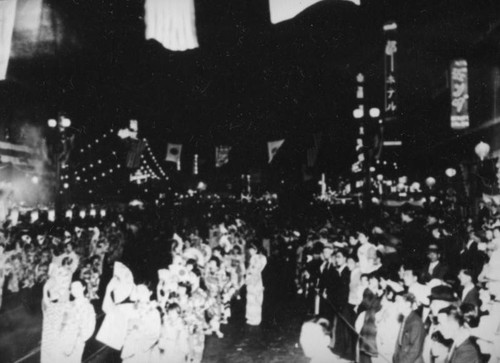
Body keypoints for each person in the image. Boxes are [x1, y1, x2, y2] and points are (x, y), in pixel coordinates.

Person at [58, 281, 96, 363]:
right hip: (65, 341)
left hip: (77, 342)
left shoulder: (88, 307)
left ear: (83, 288)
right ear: (71, 292)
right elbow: (62, 323)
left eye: (78, 287)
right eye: (73, 288)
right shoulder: (68, 305)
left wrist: (81, 338)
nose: (75, 290)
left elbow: (91, 326)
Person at [393, 293, 426, 363]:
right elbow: (400, 342)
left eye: (399, 302)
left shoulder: (416, 323)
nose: (397, 305)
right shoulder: (405, 318)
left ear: (408, 304)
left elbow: (415, 350)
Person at [245, 244, 267, 326]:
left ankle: (256, 319)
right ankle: (250, 317)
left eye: (252, 250)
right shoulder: (251, 258)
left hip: (256, 280)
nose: (250, 252)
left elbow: (257, 269)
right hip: (251, 280)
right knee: (250, 299)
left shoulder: (260, 258)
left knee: (256, 300)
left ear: (256, 250)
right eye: (249, 250)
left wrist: (251, 274)